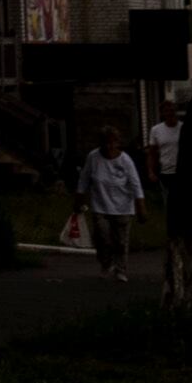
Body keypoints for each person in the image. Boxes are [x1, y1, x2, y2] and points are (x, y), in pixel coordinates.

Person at [78, 121, 150, 283]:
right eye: (106, 143)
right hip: (100, 205)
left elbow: (135, 184)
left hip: (123, 206)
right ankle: (106, 263)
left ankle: (121, 269)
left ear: (118, 143)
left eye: (112, 142)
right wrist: (79, 198)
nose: (109, 147)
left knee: (121, 241)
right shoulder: (93, 157)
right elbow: (84, 179)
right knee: (102, 236)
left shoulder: (125, 161)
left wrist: (141, 207)